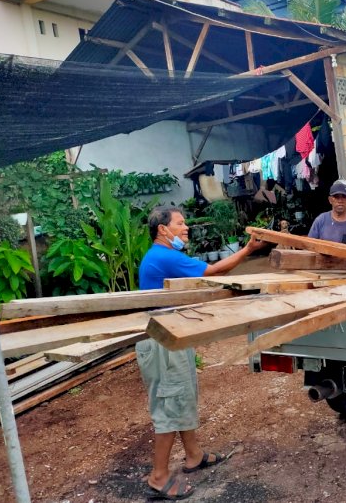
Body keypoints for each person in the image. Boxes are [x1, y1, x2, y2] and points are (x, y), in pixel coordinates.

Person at [137, 206, 265, 499]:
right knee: (170, 406)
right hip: (163, 343)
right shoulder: (164, 256)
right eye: (180, 224)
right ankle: (159, 477)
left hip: (172, 338)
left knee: (182, 396)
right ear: (162, 229)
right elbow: (214, 271)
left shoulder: (166, 256)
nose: (186, 228)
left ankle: (193, 455)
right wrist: (248, 250)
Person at [308, 179, 346, 245]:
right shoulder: (321, 220)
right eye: (336, 197)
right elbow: (310, 246)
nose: (340, 201)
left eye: (344, 196)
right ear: (330, 200)